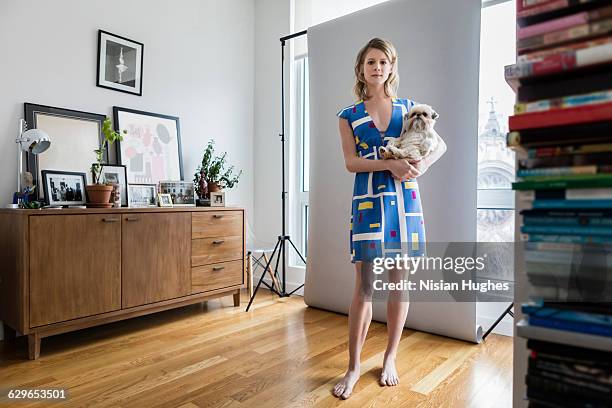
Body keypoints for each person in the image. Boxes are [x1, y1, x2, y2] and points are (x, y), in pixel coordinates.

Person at [334, 37, 447, 399]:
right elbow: (351, 162)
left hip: (405, 202)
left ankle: (390, 358)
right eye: (371, 62)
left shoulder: (411, 107)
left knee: (400, 282)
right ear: (361, 68)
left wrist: (422, 166)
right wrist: (390, 162)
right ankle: (353, 367)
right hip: (367, 202)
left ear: (391, 67)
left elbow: (438, 144)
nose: (377, 67)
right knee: (365, 286)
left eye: (383, 61)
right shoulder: (348, 116)